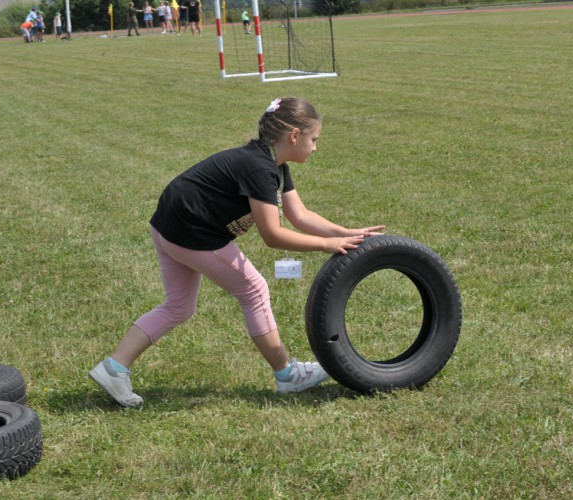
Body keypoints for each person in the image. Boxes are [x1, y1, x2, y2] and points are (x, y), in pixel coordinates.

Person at [88, 97, 385, 407]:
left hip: (168, 226)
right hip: (191, 233)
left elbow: (299, 215)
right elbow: (273, 235)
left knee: (179, 306)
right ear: (294, 136)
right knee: (254, 290)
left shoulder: (273, 163)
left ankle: (114, 368)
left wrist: (346, 233)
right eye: (314, 140)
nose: (315, 148)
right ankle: (287, 374)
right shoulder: (260, 168)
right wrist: (327, 245)